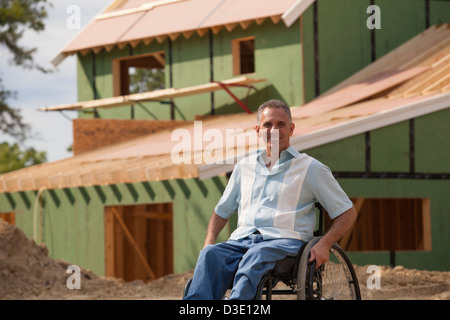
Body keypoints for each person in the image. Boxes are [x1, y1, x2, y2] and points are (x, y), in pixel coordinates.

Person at [183, 99, 356, 300]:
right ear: (258, 130)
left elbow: (347, 212)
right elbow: (222, 211)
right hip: (242, 241)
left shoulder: (311, 169)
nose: (273, 130)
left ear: (291, 129)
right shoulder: (243, 167)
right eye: (267, 125)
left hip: (285, 243)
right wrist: (209, 241)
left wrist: (325, 243)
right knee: (209, 256)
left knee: (256, 256)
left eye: (280, 124)